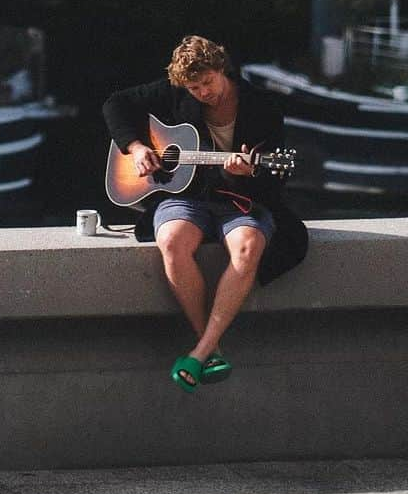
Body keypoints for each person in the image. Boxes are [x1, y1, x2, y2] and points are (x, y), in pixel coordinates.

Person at [102, 34, 308, 392]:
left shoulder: (263, 105)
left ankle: (198, 354)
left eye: (207, 82)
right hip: (188, 195)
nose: (203, 93)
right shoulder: (178, 91)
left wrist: (241, 173)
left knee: (247, 248)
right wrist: (135, 147)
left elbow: (273, 183)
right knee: (171, 240)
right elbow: (115, 105)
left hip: (241, 198)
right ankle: (209, 349)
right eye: (194, 87)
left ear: (221, 68)